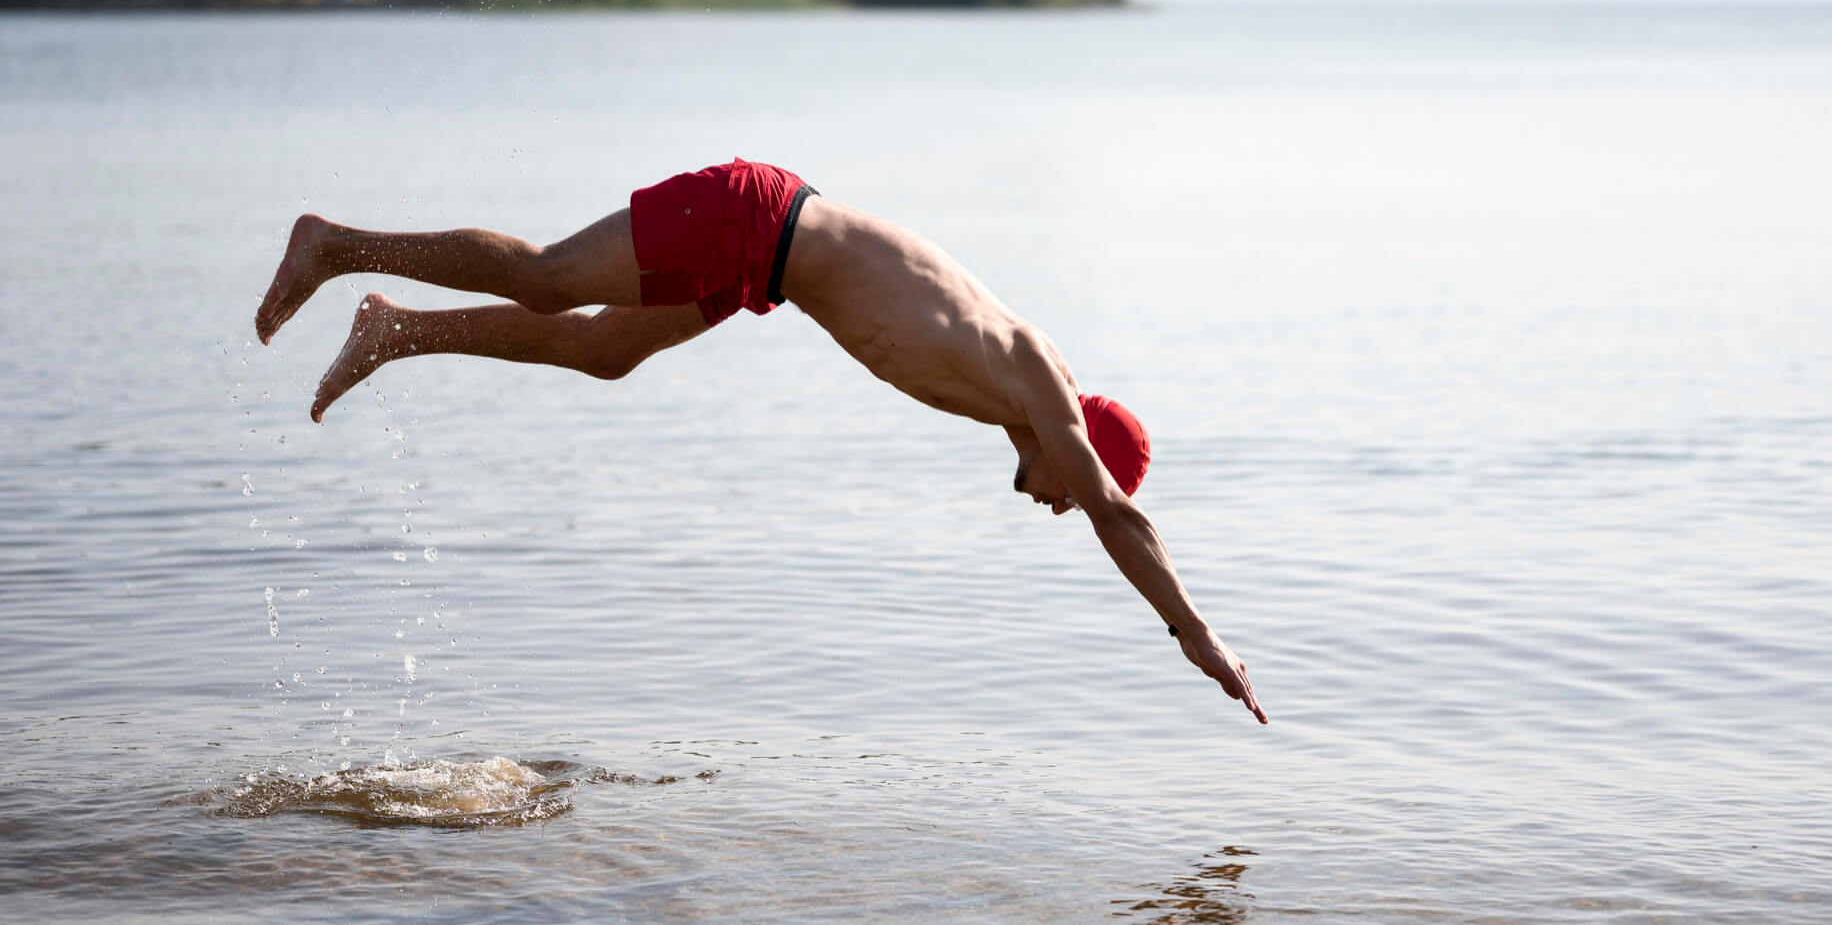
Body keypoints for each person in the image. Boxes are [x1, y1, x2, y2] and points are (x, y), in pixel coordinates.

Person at [256, 157, 1266, 723]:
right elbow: (1114, 511)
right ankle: (336, 244)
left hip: (765, 264)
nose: (1055, 500)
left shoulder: (1009, 395)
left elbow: (1094, 495)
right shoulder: (1037, 374)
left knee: (604, 354)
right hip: (758, 218)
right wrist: (1194, 631)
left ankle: (395, 329)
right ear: (1083, 439)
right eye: (1068, 486)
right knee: (553, 276)